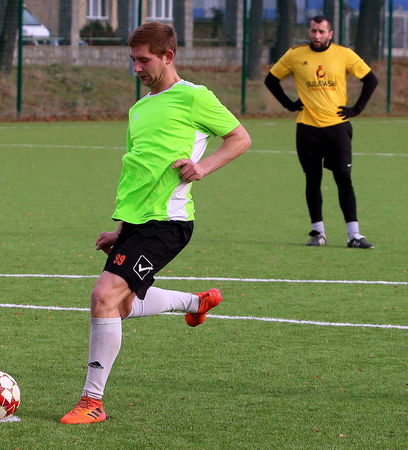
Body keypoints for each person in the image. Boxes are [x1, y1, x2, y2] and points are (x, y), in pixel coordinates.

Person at [60, 21, 251, 424]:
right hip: (137, 222)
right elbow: (138, 174)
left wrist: (203, 167)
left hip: (169, 222)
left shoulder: (194, 97)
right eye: (133, 60)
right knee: (121, 305)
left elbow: (239, 138)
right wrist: (121, 229)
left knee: (103, 296)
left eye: (144, 60)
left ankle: (92, 402)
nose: (137, 68)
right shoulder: (139, 109)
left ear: (168, 56)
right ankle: (196, 303)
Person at [264, 15, 378, 248]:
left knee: (344, 179)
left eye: (322, 31)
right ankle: (318, 233)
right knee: (312, 180)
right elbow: (271, 80)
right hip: (307, 129)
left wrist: (357, 109)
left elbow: (371, 80)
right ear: (309, 32)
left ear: (330, 34)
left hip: (337, 128)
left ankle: (354, 235)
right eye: (314, 31)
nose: (317, 35)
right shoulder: (295, 54)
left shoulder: (344, 54)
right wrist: (289, 104)